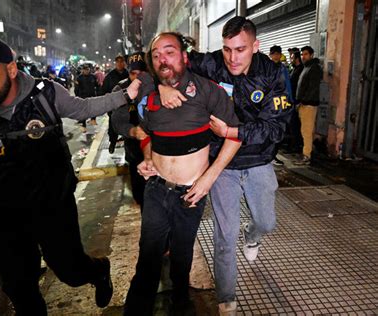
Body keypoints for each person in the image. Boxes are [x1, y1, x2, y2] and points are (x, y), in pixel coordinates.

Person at [0, 36, 140, 315]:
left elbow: (85, 108)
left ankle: (98, 270)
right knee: (19, 288)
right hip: (5, 219)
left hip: (53, 206)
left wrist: (125, 96)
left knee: (71, 270)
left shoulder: (46, 95)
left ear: (10, 69)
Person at [156, 17, 292, 315]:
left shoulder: (273, 74)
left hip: (259, 160)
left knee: (266, 222)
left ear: (256, 47)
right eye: (227, 49)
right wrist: (163, 85)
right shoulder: (212, 64)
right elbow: (167, 60)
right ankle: (226, 300)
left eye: (241, 49)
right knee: (224, 236)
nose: (233, 58)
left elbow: (276, 129)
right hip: (222, 165)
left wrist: (232, 133)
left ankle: (252, 234)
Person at [123, 32, 241, 316]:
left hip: (190, 193)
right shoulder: (149, 98)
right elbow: (147, 135)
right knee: (148, 255)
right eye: (156, 55)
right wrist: (148, 159)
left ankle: (180, 300)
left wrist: (207, 180)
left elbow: (234, 136)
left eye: (170, 52)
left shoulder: (209, 91)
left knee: (182, 253)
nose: (163, 59)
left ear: (185, 57)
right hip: (156, 189)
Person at [111, 52, 149, 209]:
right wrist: (132, 131)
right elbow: (117, 121)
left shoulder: (159, 85)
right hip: (135, 148)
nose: (138, 79)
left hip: (160, 150)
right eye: (133, 74)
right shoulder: (121, 89)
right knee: (141, 195)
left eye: (142, 74)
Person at [295, 45, 323, 165]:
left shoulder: (314, 68)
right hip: (304, 104)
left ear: (311, 55)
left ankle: (307, 156)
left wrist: (303, 101)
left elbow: (313, 88)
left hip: (308, 104)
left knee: (306, 131)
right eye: (302, 54)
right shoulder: (307, 67)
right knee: (306, 130)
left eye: (306, 54)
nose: (303, 57)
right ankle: (308, 152)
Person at [101, 55, 129, 153]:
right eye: (118, 62)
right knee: (113, 126)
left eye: (122, 61)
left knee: (128, 127)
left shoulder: (128, 74)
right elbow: (104, 90)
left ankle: (128, 149)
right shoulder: (110, 76)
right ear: (115, 63)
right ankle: (112, 143)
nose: (120, 64)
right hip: (114, 106)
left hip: (127, 106)